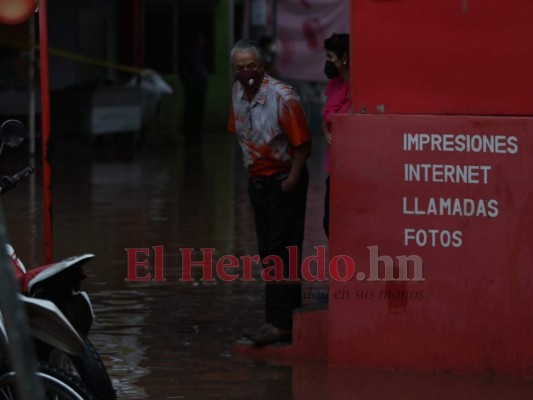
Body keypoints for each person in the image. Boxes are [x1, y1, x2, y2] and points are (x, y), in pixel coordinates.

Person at [228, 39, 312, 345]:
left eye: (251, 66)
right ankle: (274, 318)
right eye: (240, 68)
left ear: (261, 66)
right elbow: (242, 136)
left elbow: (303, 145)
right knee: (268, 253)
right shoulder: (237, 93)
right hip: (258, 183)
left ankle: (284, 322)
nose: (246, 72)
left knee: (283, 252)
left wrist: (291, 181)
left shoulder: (282, 96)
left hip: (283, 180)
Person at [322, 33, 350, 238]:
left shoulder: (359, 87)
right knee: (328, 223)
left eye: (331, 57)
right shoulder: (334, 84)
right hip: (334, 159)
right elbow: (325, 118)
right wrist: (326, 133)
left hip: (351, 162)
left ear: (344, 58)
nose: (328, 62)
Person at [179, 31, 209, 143]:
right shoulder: (190, 54)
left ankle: (196, 132)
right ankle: (190, 132)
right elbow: (185, 71)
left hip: (199, 86)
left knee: (198, 110)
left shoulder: (199, 54)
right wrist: (189, 83)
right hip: (193, 87)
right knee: (192, 109)